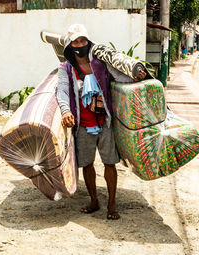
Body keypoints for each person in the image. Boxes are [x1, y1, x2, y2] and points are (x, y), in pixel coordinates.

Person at [56, 24, 146, 220]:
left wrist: (136, 78)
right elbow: (61, 91)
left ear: (88, 42)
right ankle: (94, 200)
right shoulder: (66, 69)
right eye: (75, 42)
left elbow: (119, 77)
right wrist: (65, 111)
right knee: (87, 164)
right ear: (69, 46)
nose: (80, 44)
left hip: (104, 121)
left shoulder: (100, 63)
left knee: (109, 163)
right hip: (83, 125)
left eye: (83, 40)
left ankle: (112, 204)